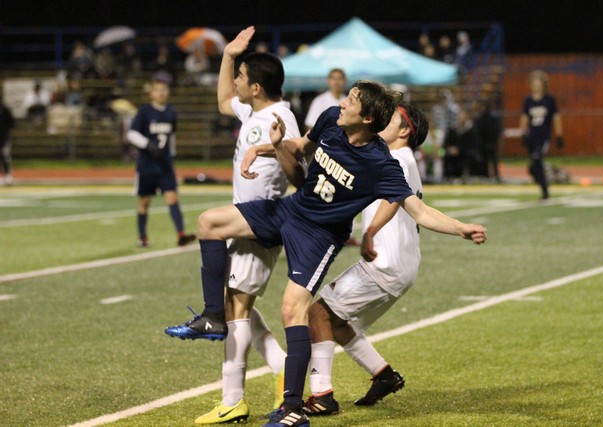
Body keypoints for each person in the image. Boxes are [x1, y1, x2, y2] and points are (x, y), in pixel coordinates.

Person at [165, 26, 487, 427]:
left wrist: (461, 228)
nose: (342, 102)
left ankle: (292, 408)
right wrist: (269, 146)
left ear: (366, 118)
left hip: (318, 237)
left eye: (351, 100)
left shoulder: (381, 164)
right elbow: (302, 148)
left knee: (292, 309)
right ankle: (214, 315)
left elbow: (419, 211)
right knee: (209, 222)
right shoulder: (331, 120)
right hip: (293, 209)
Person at [176, 28, 301, 425]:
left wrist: (273, 148)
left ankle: (233, 400)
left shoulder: (281, 118)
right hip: (244, 221)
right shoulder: (253, 111)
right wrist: (229, 55)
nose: (236, 82)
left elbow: (299, 169)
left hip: (259, 220)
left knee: (234, 309)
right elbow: (221, 100)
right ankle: (282, 369)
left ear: (257, 87)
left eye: (242, 76)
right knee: (238, 304)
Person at [302, 102, 429, 416]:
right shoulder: (402, 159)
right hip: (399, 264)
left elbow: (395, 201)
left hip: (384, 263)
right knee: (336, 321)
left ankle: (322, 395)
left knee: (317, 314)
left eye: (392, 118)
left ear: (404, 130)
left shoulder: (396, 158)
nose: (383, 121)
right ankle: (383, 375)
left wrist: (370, 231)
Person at [126, 79, 196, 247]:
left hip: (165, 164)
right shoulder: (144, 111)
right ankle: (143, 237)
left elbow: (171, 136)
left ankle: (181, 235)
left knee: (172, 197)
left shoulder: (171, 112)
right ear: (151, 93)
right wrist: (147, 145)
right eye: (157, 90)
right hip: (147, 164)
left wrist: (171, 155)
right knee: (145, 200)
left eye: (164, 89)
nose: (161, 93)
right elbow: (131, 134)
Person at [303, 68, 360, 246]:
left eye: (339, 79)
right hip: (326, 154)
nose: (336, 82)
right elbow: (311, 128)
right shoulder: (320, 101)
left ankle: (344, 232)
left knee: (347, 194)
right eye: (333, 78)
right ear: (328, 81)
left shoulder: (350, 102)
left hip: (347, 156)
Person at [519, 70, 564, 199]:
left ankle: (545, 191)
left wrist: (559, 135)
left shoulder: (549, 100)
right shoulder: (528, 100)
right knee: (533, 167)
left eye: (538, 83)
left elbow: (556, 117)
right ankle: (543, 184)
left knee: (537, 159)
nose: (535, 85)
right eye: (533, 83)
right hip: (532, 136)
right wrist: (522, 133)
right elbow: (524, 117)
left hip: (543, 136)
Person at [474, 99, 502, 182]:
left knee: (494, 159)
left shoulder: (493, 118)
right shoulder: (479, 118)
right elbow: (477, 131)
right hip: (483, 142)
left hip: (491, 141)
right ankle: (485, 175)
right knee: (484, 160)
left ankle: (496, 175)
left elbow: (497, 130)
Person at [0, 99, 15, 186]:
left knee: (5, 156)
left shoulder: (5, 109)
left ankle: (8, 176)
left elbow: (12, 123)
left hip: (4, 137)